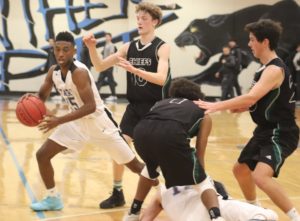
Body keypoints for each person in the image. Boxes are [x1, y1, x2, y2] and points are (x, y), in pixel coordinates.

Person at [27, 31, 154, 211]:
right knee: (42, 155)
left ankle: (169, 190)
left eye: (66, 49)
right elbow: (40, 97)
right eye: (57, 49)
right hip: (76, 123)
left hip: (99, 123)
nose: (61, 53)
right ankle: (53, 198)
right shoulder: (53, 72)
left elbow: (90, 106)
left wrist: (58, 120)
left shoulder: (78, 72)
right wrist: (29, 100)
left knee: (135, 166)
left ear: (74, 51)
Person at [194, 19, 300, 221]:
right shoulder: (263, 69)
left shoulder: (274, 69)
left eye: (252, 40)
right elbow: (255, 100)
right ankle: (254, 208)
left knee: (260, 176)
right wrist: (240, 107)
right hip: (265, 130)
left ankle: (296, 217)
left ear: (265, 42)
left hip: (281, 132)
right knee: (240, 169)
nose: (249, 44)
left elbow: (251, 97)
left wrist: (215, 105)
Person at [83, 1, 171, 213]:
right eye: (138, 18)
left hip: (155, 107)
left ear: (155, 22)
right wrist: (92, 48)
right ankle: (117, 192)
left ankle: (171, 193)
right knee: (119, 146)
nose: (139, 22)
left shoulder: (162, 46)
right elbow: (100, 66)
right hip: (134, 107)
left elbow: (161, 79)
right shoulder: (128, 47)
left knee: (158, 155)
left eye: (144, 19)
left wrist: (135, 70)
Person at [126, 78, 225, 221]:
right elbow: (200, 151)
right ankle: (216, 217)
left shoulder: (161, 103)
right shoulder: (202, 112)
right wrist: (198, 174)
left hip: (141, 134)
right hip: (169, 135)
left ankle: (133, 213)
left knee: (150, 168)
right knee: (204, 183)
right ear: (198, 96)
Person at [141, 182, 278, 221]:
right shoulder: (201, 177)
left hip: (214, 207)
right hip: (218, 205)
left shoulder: (160, 193)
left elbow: (146, 218)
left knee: (269, 215)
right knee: (269, 215)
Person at [96, 32, 118, 102]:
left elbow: (111, 54)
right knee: (101, 80)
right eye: (105, 37)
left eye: (108, 36)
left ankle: (113, 96)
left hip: (108, 65)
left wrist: (108, 63)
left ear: (110, 38)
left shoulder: (111, 45)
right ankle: (96, 95)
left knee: (108, 80)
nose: (106, 38)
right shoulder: (106, 45)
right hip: (104, 65)